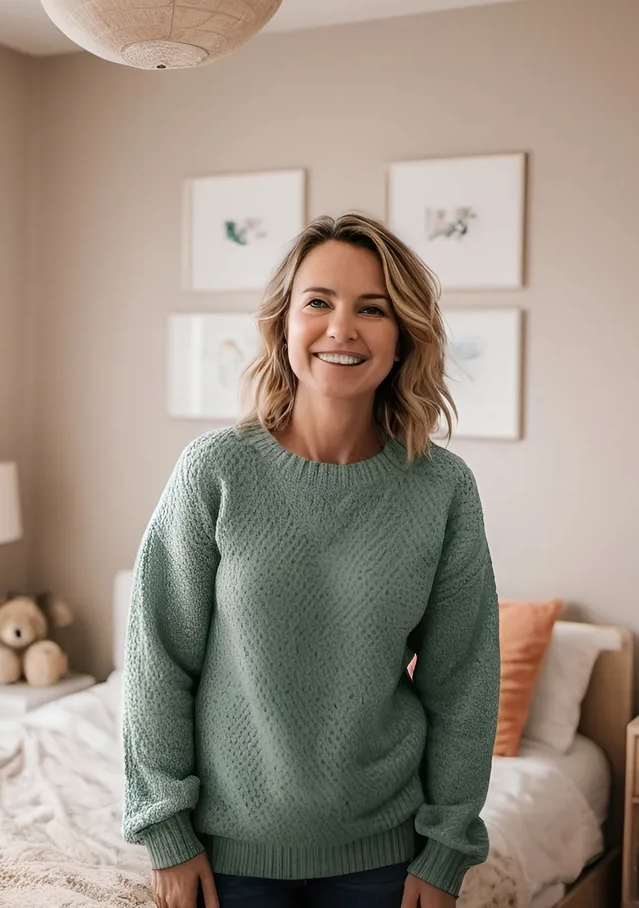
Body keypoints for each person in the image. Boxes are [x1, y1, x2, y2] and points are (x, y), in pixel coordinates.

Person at [122, 213, 500, 908]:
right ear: (284, 325)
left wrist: (446, 850)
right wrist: (166, 832)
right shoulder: (216, 471)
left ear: (402, 337)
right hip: (226, 851)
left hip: (387, 854)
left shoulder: (442, 489)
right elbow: (158, 657)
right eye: (318, 302)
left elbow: (464, 685)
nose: (341, 328)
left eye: (372, 309)